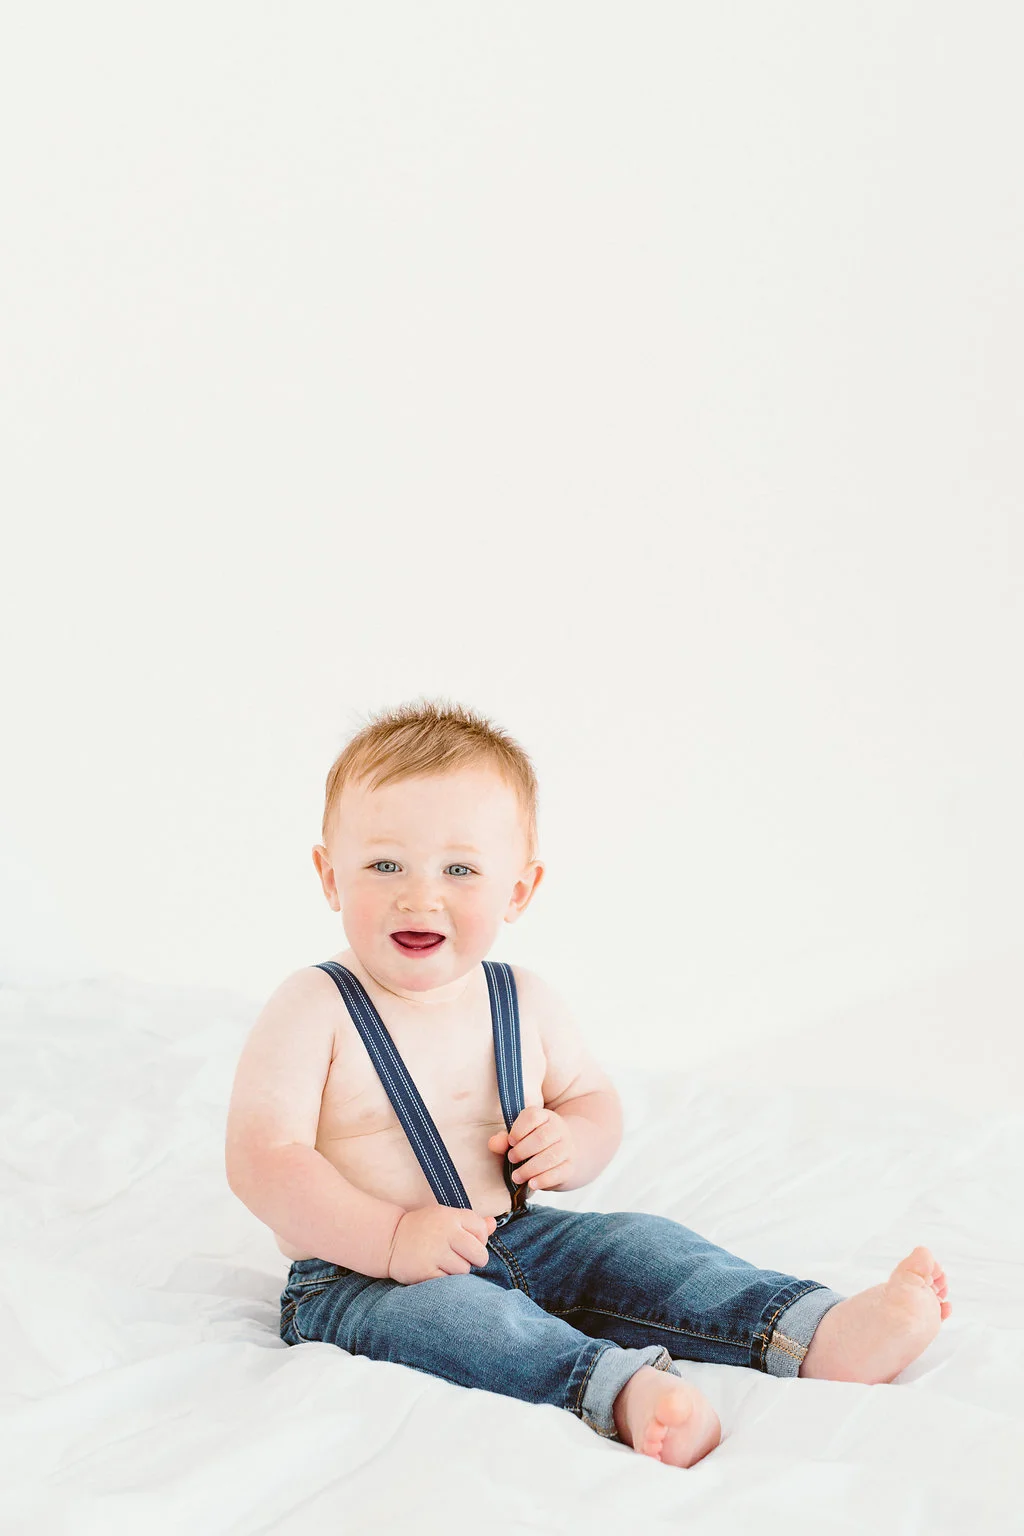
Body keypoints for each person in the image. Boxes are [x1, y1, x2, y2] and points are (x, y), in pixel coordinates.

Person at [225, 698, 952, 1469]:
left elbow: (592, 1101)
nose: (420, 895)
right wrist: (392, 1239)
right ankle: (618, 1389)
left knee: (640, 1247)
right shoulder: (315, 1006)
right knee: (461, 1324)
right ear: (329, 876)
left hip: (516, 1234)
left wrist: (570, 1142)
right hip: (361, 1276)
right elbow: (262, 1160)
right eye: (384, 865)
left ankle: (812, 1331)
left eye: (459, 870)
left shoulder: (521, 999)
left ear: (519, 890)